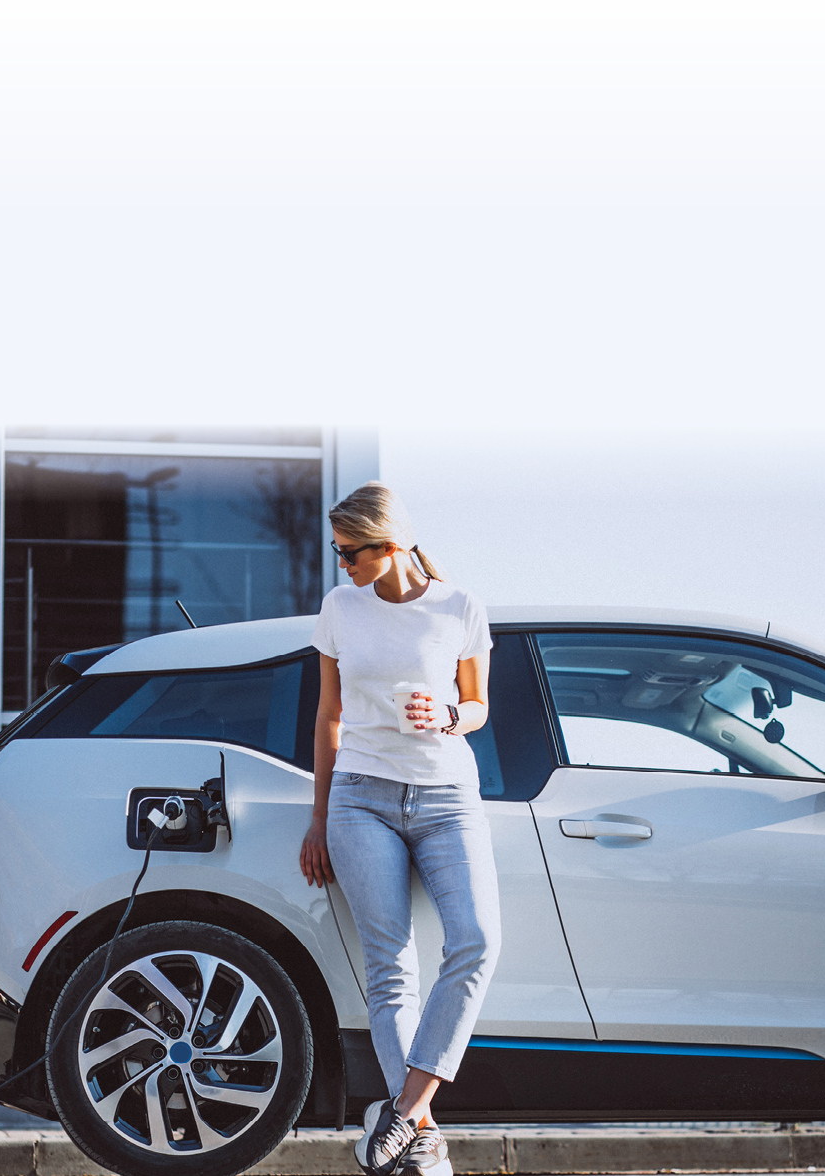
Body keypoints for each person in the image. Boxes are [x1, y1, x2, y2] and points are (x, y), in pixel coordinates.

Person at [299, 483, 501, 1176]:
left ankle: (403, 1114)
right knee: (391, 969)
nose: (343, 565)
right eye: (338, 553)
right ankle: (421, 1135)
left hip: (447, 796)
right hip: (360, 797)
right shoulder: (338, 608)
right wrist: (319, 816)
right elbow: (328, 716)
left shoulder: (459, 607)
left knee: (477, 939)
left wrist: (445, 713)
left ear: (388, 547)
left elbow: (477, 704)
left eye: (351, 553)